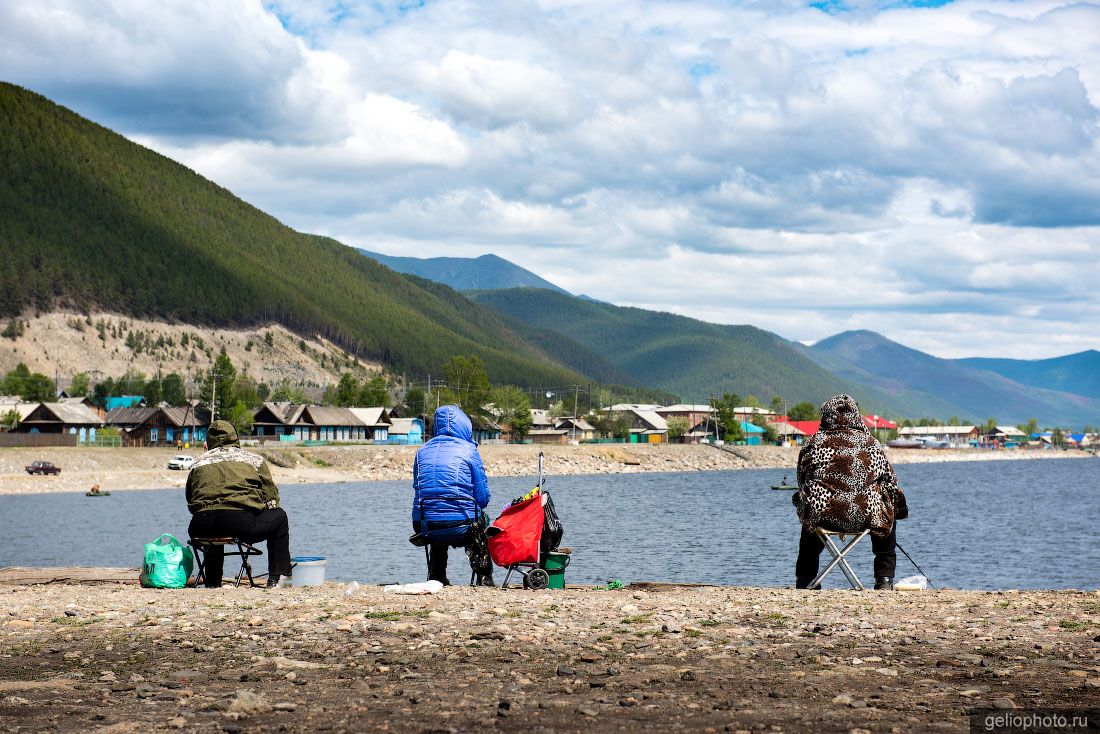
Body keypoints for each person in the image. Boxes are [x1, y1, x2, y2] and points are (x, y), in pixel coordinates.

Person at [792, 395, 908, 590]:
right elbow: (890, 483)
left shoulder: (812, 444)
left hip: (823, 517)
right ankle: (884, 579)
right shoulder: (871, 444)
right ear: (856, 416)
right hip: (864, 517)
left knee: (811, 507)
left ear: (826, 416)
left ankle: (805, 579)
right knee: (885, 509)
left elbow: (802, 481)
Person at [186, 420, 291, 588]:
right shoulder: (253, 460)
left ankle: (213, 582)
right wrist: (254, 507)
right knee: (280, 516)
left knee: (215, 520)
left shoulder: (198, 463)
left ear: (208, 440)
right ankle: (277, 578)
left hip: (201, 527)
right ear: (235, 438)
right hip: (239, 524)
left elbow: (191, 502)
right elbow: (272, 499)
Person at [412, 405, 493, 586]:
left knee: (437, 519)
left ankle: (436, 575)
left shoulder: (421, 451)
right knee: (480, 520)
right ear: (465, 426)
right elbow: (482, 497)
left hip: (427, 527)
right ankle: (484, 576)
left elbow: (418, 489)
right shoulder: (469, 451)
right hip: (462, 526)